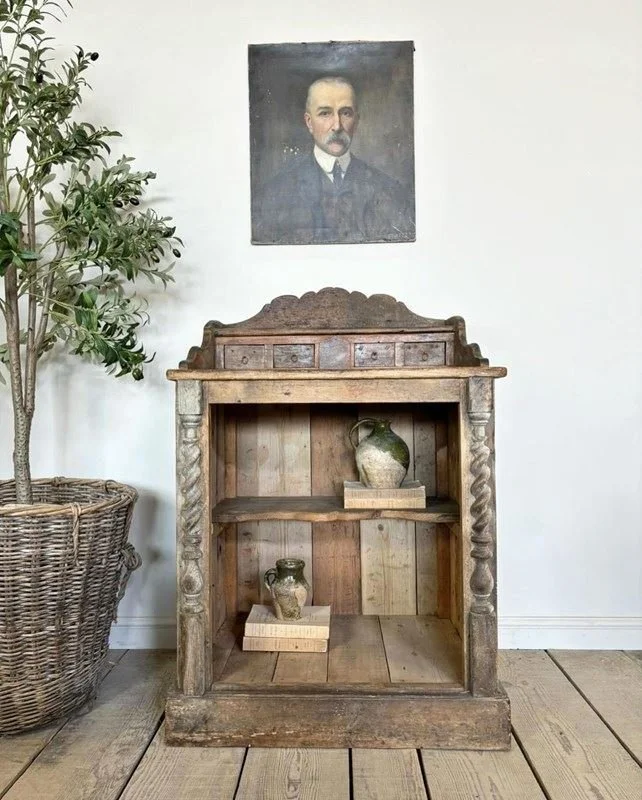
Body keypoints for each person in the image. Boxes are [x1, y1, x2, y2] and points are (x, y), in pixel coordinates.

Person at [252, 76, 415, 245]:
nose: (337, 126)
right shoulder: (274, 195)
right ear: (309, 122)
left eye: (345, 113)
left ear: (357, 121)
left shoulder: (390, 191)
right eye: (325, 113)